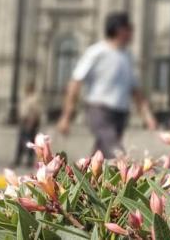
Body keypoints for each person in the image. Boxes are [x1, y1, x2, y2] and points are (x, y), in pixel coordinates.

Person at [57, 12, 157, 157]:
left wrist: (147, 116)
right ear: (120, 30)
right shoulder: (97, 52)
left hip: (120, 114)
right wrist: (66, 116)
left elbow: (135, 90)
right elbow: (76, 81)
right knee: (116, 152)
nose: (132, 34)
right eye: (130, 29)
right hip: (99, 110)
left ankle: (88, 171)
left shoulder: (127, 56)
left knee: (101, 153)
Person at [13, 81, 42, 166]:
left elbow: (36, 111)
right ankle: (18, 159)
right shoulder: (25, 97)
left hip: (30, 121)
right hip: (23, 121)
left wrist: (32, 121)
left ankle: (29, 160)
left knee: (30, 141)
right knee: (21, 141)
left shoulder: (34, 98)